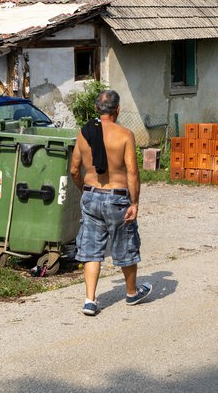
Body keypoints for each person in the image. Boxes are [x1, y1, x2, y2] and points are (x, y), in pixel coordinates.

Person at [70, 89, 151, 316]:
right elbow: (133, 172)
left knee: (91, 249)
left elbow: (74, 169)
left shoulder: (84, 134)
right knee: (125, 243)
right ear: (117, 110)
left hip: (91, 194)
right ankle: (132, 293)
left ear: (97, 109)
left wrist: (85, 191)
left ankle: (89, 300)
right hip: (117, 197)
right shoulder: (125, 134)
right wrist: (134, 203)